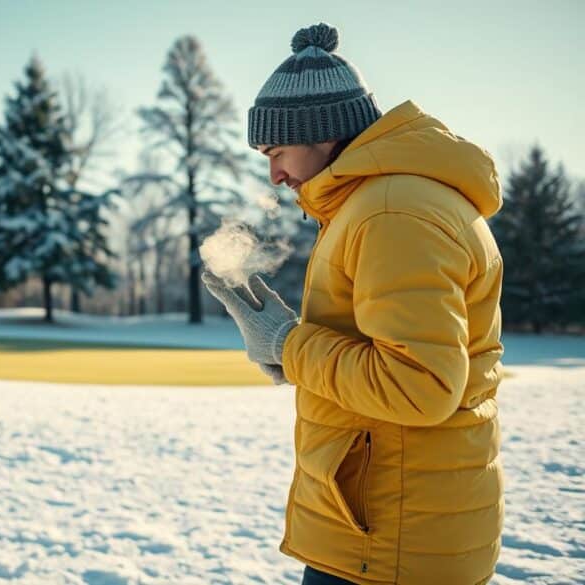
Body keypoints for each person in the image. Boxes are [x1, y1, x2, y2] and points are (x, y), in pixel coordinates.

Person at [202, 22, 505, 585]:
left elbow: (419, 387)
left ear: (321, 132)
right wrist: (287, 347)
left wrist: (287, 343)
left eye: (278, 151)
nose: (274, 174)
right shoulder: (380, 203)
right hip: (392, 526)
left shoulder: (392, 211)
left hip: (390, 545)